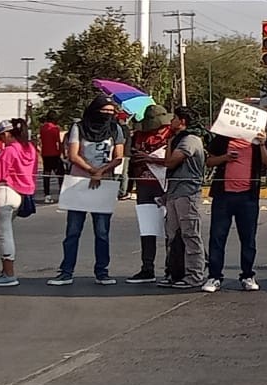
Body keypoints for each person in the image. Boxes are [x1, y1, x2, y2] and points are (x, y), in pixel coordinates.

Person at [50, 94, 125, 287]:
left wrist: (100, 172)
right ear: (94, 110)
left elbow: (118, 156)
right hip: (79, 183)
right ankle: (66, 272)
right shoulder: (79, 127)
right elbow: (73, 155)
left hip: (103, 184)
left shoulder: (115, 129)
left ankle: (102, 272)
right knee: (73, 231)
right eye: (104, 111)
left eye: (111, 111)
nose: (108, 114)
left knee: (102, 232)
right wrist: (92, 171)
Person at [154, 106, 207, 290]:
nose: (171, 121)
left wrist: (169, 144)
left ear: (183, 121)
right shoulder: (178, 140)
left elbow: (170, 162)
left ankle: (195, 274)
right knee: (173, 235)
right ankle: (175, 272)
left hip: (187, 192)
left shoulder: (190, 140)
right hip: (174, 191)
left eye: (175, 118)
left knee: (190, 234)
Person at [204, 131, 264, 292]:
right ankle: (214, 276)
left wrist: (263, 144)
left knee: (248, 238)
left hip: (248, 197)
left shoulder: (257, 140)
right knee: (217, 236)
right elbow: (209, 161)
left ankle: (247, 275)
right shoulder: (223, 138)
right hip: (223, 195)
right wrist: (225, 157)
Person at [126, 106, 176, 285]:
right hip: (143, 186)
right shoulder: (138, 136)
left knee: (172, 230)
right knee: (147, 229)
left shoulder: (172, 135)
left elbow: (174, 161)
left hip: (166, 185)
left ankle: (172, 268)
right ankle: (147, 268)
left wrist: (150, 159)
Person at [0, 119, 39, 287]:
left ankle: (9, 274)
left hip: (4, 192)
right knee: (3, 233)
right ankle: (6, 272)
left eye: (1, 135)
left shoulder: (9, 151)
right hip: (19, 194)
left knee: (3, 235)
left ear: (7, 133)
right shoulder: (30, 149)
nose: (1, 139)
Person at [38, 113, 63, 203]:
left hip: (45, 154)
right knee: (60, 174)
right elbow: (58, 142)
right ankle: (62, 193)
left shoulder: (42, 128)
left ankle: (47, 195)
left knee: (46, 175)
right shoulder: (55, 128)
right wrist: (61, 152)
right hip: (54, 154)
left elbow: (41, 141)